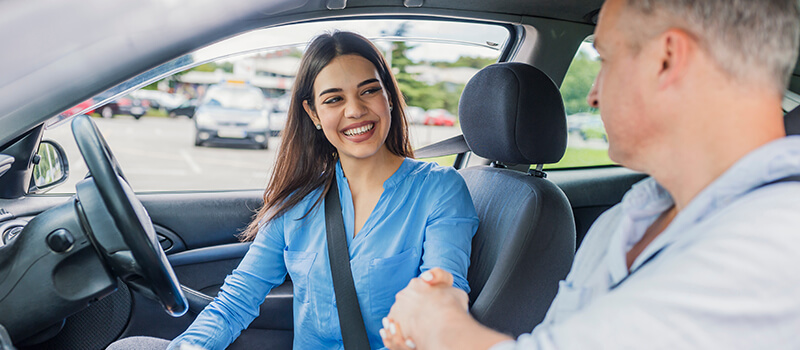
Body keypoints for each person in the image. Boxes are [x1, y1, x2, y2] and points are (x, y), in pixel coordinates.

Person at [380, 0, 800, 349]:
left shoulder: (780, 237)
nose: (594, 94)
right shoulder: (627, 218)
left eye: (606, 59)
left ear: (667, 58)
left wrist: (436, 322)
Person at [108, 31, 478, 350]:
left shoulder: (439, 190)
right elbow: (236, 302)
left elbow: (446, 287)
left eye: (369, 91)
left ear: (389, 98)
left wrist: (436, 311)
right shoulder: (296, 204)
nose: (355, 110)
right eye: (334, 99)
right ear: (313, 113)